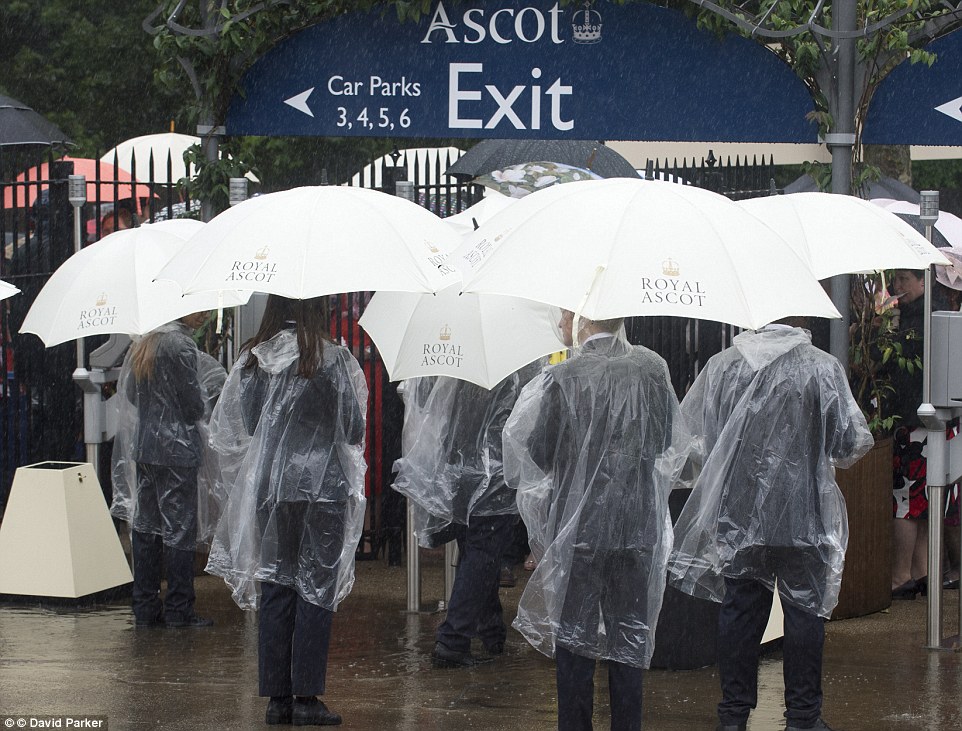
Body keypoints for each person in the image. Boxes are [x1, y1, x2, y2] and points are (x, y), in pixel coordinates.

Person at [668, 319, 873, 731]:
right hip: (804, 514)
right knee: (804, 612)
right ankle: (802, 717)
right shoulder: (821, 367)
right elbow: (850, 442)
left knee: (740, 611)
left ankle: (733, 715)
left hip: (738, 515)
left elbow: (698, 439)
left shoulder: (723, 367)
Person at [502, 309, 689, 731]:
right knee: (629, 640)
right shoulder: (651, 369)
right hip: (635, 526)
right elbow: (665, 442)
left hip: (577, 530)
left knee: (574, 643)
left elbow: (540, 452)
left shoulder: (563, 377)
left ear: (583, 317)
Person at [206, 295, 367, 727]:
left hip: (269, 491)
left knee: (276, 583)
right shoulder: (332, 360)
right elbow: (353, 427)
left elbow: (248, 422)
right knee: (315, 589)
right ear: (318, 307)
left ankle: (277, 697)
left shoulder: (254, 360)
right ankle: (306, 696)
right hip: (323, 489)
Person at [392, 362, 541, 668]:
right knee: (483, 553)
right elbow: (528, 416)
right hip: (493, 474)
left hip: (458, 470)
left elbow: (429, 404)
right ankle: (453, 638)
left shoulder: (455, 360)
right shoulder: (516, 364)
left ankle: (490, 629)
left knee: (477, 551)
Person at [111, 311, 218, 628]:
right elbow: (193, 404)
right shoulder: (181, 346)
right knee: (179, 531)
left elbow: (131, 393)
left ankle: (144, 603)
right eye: (202, 311)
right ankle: (179, 608)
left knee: (146, 526)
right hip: (177, 450)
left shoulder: (145, 343)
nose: (206, 316)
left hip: (146, 447)